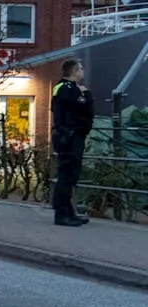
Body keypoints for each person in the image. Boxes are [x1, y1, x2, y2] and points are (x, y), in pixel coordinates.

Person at [50, 58, 94, 227]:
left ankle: (69, 212)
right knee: (67, 176)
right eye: (80, 69)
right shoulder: (67, 89)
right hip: (69, 137)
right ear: (75, 71)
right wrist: (86, 94)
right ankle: (61, 214)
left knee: (70, 176)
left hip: (72, 136)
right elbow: (86, 108)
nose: (83, 71)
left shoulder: (65, 89)